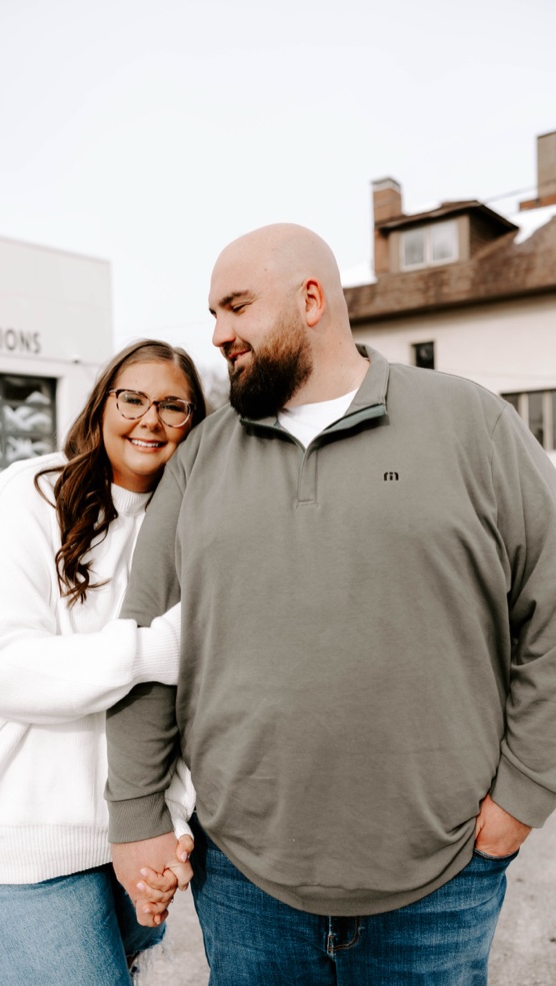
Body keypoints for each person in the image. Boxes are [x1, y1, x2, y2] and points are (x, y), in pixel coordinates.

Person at [106, 223, 556, 984]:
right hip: (246, 882)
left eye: (236, 307)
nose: (217, 334)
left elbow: (549, 616)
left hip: (440, 882)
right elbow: (147, 642)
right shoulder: (203, 459)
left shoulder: (473, 424)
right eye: (213, 313)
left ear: (310, 299)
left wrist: (524, 793)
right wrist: (137, 814)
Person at [0, 339, 205, 985]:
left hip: (132, 836)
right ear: (102, 404)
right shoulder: (30, 496)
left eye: (174, 407)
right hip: (15, 844)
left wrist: (172, 823)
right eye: (133, 399)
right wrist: (157, 650)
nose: (150, 420)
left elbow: (187, 710)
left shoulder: (190, 530)